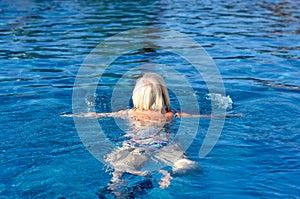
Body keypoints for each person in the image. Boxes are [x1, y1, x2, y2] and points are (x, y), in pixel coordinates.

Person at [62, 73, 241, 197]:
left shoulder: (130, 113)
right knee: (184, 162)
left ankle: (117, 182)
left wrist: (75, 115)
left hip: (136, 145)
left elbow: (99, 115)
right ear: (163, 96)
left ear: (136, 96)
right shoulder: (171, 114)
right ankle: (172, 172)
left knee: (117, 163)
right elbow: (203, 116)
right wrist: (229, 115)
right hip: (165, 145)